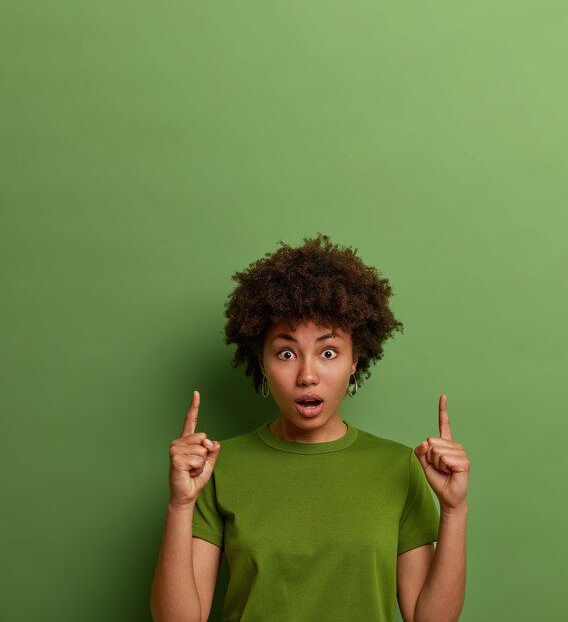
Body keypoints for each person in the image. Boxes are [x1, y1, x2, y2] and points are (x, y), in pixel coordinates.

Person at [151, 234, 470, 622]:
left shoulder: (399, 466)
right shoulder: (214, 467)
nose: (307, 375)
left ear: (356, 360)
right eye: (286, 353)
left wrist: (454, 510)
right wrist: (179, 504)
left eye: (328, 352)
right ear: (263, 363)